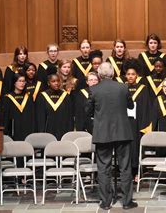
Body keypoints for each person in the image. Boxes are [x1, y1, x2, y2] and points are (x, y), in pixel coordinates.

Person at [85, 63, 137, 210]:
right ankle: (127, 202)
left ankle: (106, 202)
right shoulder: (123, 87)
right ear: (113, 74)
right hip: (122, 132)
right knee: (125, 167)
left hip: (103, 133)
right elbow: (131, 106)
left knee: (103, 168)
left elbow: (88, 111)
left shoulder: (94, 89)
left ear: (99, 75)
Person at [36, 73, 74, 139]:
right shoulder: (43, 96)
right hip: (48, 129)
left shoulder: (65, 95)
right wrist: (41, 132)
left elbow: (69, 116)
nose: (56, 83)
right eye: (53, 81)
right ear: (48, 83)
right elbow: (40, 116)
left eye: (58, 81)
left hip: (63, 128)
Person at [2, 73, 36, 140]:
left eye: (23, 81)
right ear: (14, 83)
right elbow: (6, 117)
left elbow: (32, 115)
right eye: (20, 81)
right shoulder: (8, 97)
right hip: (14, 131)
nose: (22, 83)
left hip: (27, 129)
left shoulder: (28, 96)